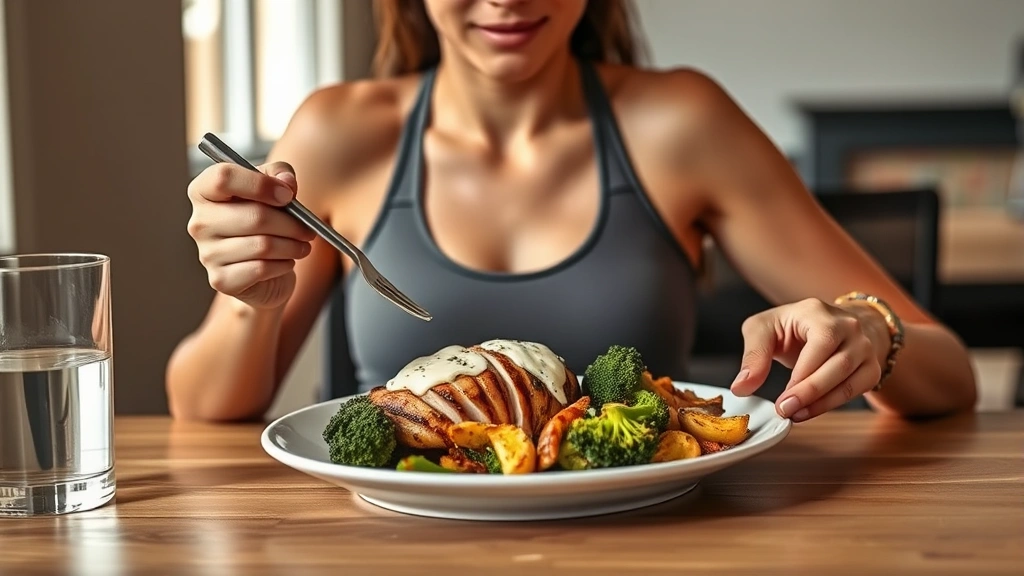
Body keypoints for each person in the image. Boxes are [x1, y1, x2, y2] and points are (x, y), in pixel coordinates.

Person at [166, 0, 976, 424]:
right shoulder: (339, 133)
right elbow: (206, 408)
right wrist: (251, 303)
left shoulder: (684, 123)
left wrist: (872, 331)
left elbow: (952, 373)